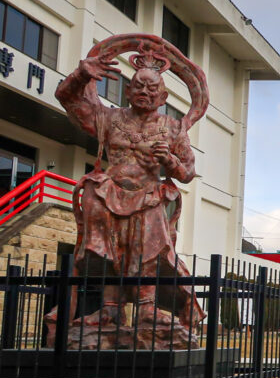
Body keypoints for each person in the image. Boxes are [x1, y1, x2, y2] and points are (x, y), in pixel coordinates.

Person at [55, 50, 203, 332]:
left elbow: (187, 173)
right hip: (109, 192)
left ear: (163, 97)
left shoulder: (173, 129)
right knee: (108, 249)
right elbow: (68, 99)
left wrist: (168, 161)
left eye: (152, 88)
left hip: (148, 195)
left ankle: (147, 309)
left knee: (146, 250)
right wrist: (82, 74)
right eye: (138, 86)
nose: (144, 92)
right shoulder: (109, 118)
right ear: (127, 90)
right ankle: (110, 311)